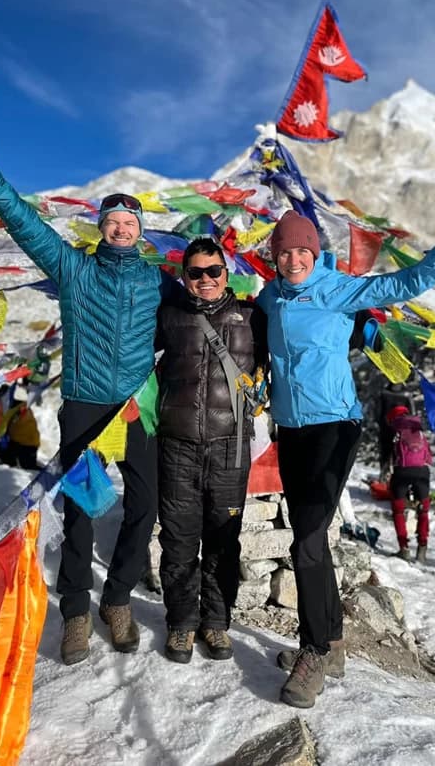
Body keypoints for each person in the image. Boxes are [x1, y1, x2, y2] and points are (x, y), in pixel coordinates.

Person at [256, 204, 435, 709]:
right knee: (312, 539)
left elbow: (402, 285)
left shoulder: (336, 288)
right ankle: (335, 644)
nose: (294, 259)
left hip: (335, 427)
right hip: (292, 431)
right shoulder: (268, 300)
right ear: (275, 256)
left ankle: (313, 654)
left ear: (314, 251)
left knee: (305, 540)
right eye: (285, 252)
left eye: (302, 250)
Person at [0, 137, 181, 666]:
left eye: (130, 223)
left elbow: (204, 302)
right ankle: (76, 612)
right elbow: (26, 226)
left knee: (143, 506)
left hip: (137, 409)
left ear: (141, 232)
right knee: (81, 511)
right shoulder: (74, 270)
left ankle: (117, 598)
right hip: (84, 410)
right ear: (101, 228)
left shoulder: (157, 281)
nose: (122, 229)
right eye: (113, 222)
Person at [155, 238, 268, 663]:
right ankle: (182, 624)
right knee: (179, 540)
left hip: (229, 447)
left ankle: (217, 623)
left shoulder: (254, 319)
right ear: (185, 276)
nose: (205, 280)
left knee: (224, 540)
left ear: (227, 272)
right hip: (177, 443)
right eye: (196, 272)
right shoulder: (168, 316)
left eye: (213, 271)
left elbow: (303, 336)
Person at [386, 406, 433, 563]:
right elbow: (428, 454)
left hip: (402, 472)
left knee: (398, 510)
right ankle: (422, 549)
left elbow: (388, 454)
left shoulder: (394, 429)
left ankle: (404, 548)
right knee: (424, 510)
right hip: (422, 471)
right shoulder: (417, 428)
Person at [376, 382, 415, 481]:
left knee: (392, 452)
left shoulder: (386, 393)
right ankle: (388, 476)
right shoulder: (405, 394)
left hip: (391, 428)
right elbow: (411, 413)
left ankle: (391, 477)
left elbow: (378, 411)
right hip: (392, 428)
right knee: (394, 452)